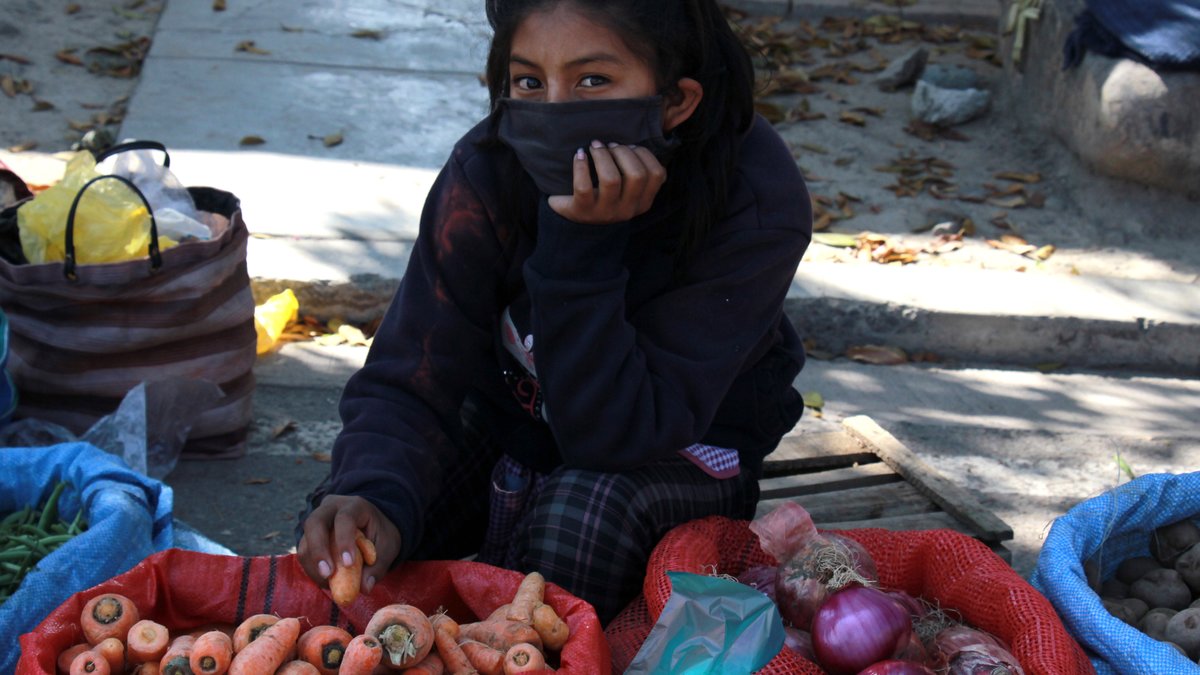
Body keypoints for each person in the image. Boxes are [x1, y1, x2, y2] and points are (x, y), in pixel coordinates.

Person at [296, 0, 813, 624]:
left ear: (675, 101)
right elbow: (413, 369)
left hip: (670, 451)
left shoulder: (753, 195)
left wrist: (580, 245)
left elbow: (615, 435)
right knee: (356, 523)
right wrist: (371, 492)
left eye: (593, 80)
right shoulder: (487, 169)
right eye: (529, 83)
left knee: (579, 517)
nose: (555, 111)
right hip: (517, 420)